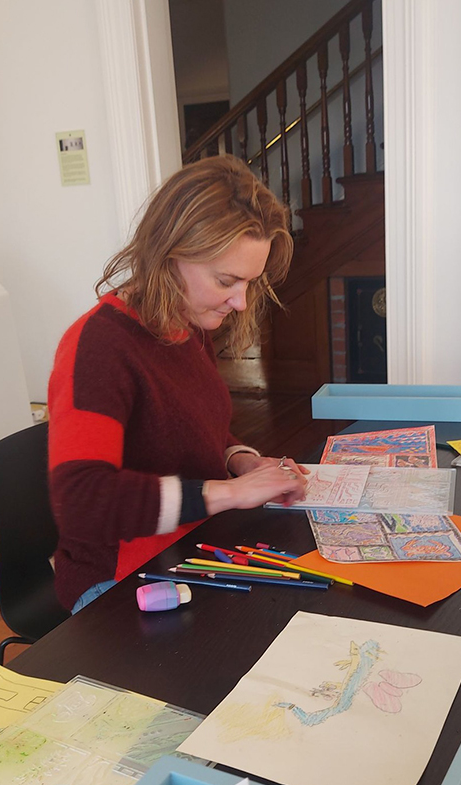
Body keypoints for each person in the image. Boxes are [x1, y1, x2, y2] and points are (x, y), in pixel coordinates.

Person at [49, 155, 312, 613]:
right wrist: (229, 493)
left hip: (192, 544)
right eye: (227, 280)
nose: (240, 301)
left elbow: (192, 428)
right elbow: (82, 503)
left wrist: (242, 461)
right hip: (121, 576)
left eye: (250, 283)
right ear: (170, 256)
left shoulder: (185, 324)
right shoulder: (98, 346)